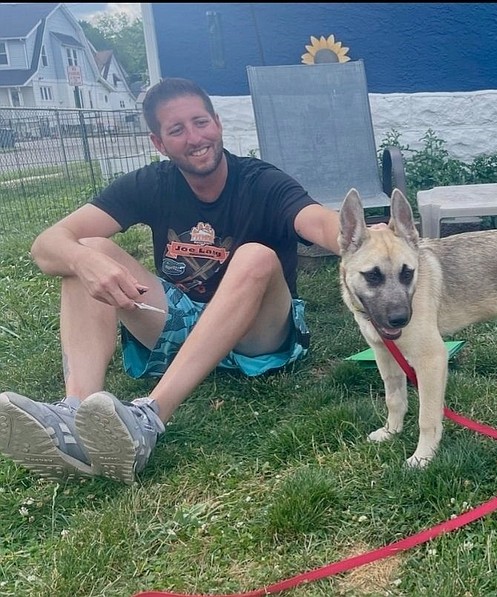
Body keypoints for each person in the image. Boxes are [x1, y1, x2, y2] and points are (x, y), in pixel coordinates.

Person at [0, 77, 342, 484]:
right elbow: (46, 245)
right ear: (159, 143)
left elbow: (318, 221)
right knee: (85, 249)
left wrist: (366, 239)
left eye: (201, 122)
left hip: (258, 335)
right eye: (177, 130)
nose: (194, 137)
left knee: (255, 256)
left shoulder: (260, 181)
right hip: (183, 320)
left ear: (218, 123)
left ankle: (148, 418)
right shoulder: (153, 183)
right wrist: (83, 260)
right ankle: (75, 414)